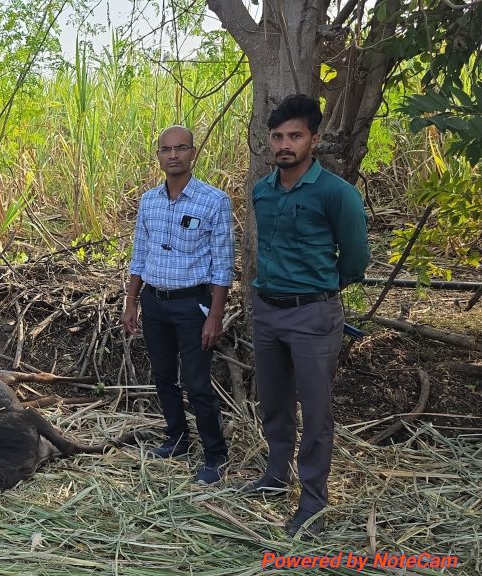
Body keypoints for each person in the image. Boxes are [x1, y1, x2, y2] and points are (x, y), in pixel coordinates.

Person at [244, 94, 370, 538]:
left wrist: (321, 290)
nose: (284, 144)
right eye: (277, 136)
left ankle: (312, 500)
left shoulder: (337, 193)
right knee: (275, 403)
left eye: (294, 135)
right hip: (267, 312)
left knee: (315, 413)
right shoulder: (262, 190)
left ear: (313, 140)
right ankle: (276, 476)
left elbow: (355, 259)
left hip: (313, 315)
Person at [121, 125, 235, 485]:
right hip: (155, 302)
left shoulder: (213, 201)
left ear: (193, 152)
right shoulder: (149, 201)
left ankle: (216, 455)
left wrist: (214, 316)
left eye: (180, 148)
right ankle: (177, 439)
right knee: (163, 376)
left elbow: (223, 263)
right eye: (166, 149)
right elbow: (140, 254)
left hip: (193, 305)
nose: (173, 155)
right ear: (158, 156)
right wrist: (131, 302)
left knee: (197, 383)